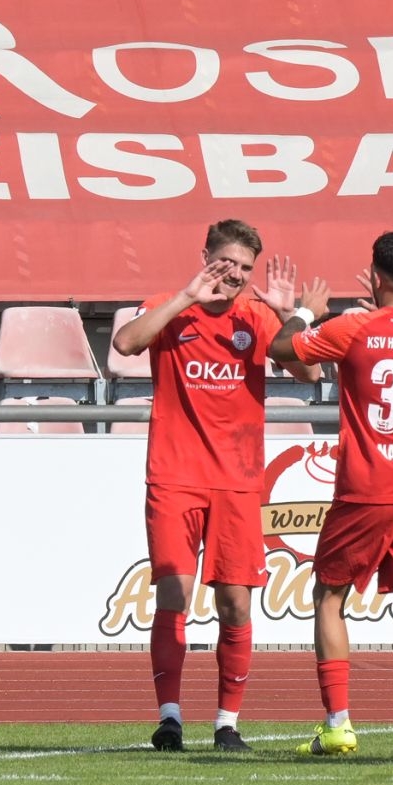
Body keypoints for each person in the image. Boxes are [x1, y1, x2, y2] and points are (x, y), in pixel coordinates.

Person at [110, 219, 319, 752]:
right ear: (205, 256)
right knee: (173, 595)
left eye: (246, 268)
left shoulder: (257, 316)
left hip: (238, 482)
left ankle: (227, 723)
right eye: (228, 264)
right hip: (175, 476)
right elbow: (126, 343)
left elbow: (310, 375)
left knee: (235, 605)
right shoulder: (169, 306)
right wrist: (186, 297)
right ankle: (170, 719)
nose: (237, 276)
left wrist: (286, 313)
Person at [269, 232, 393, 760]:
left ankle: (338, 725)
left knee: (329, 597)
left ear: (375, 276)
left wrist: (303, 313)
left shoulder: (352, 327)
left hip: (368, 487)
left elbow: (281, 349)